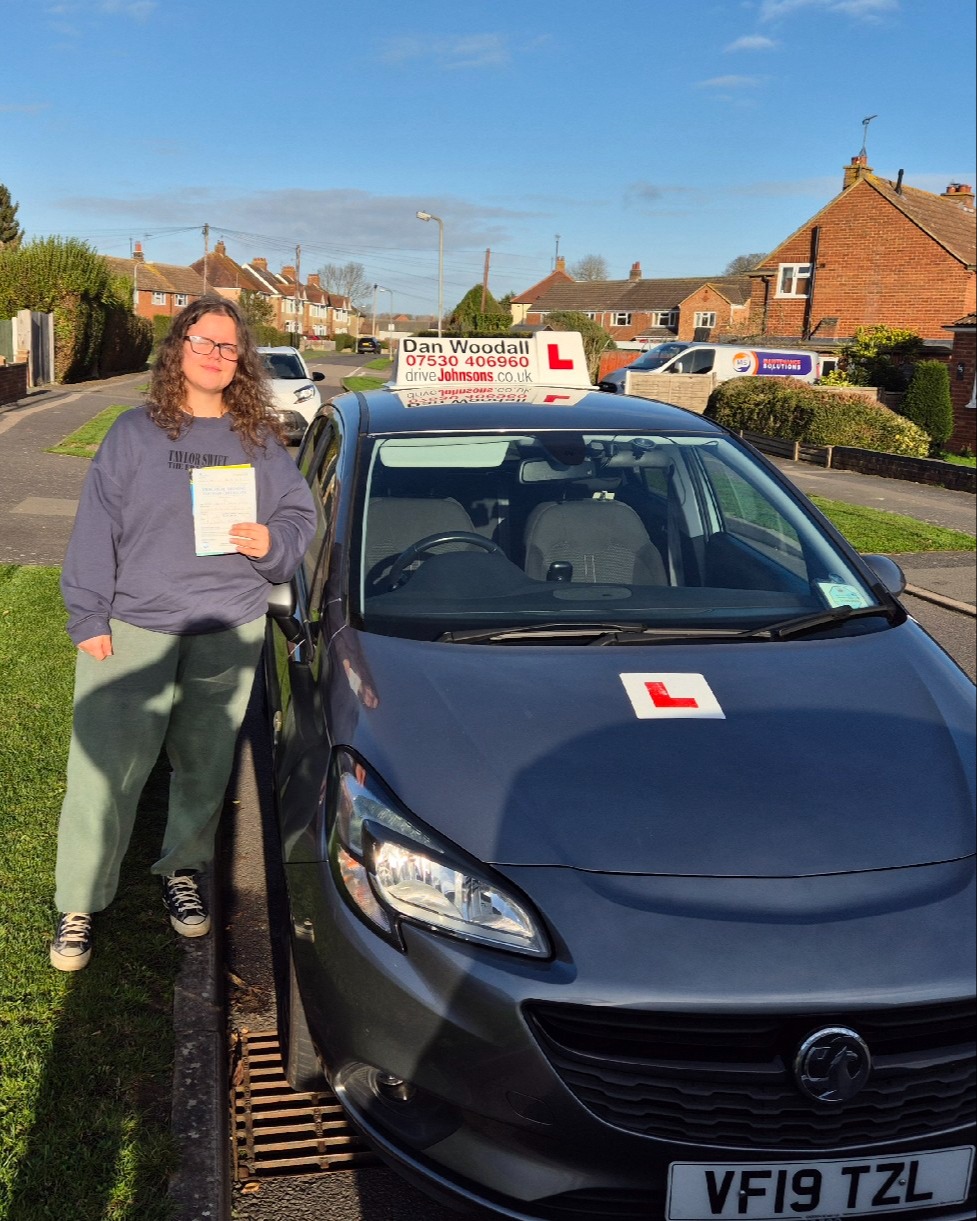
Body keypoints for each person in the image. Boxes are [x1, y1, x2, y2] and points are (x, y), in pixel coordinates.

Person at [50, 296, 317, 971]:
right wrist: (88, 616)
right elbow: (95, 529)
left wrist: (271, 540)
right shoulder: (132, 433)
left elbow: (298, 512)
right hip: (133, 625)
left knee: (203, 766)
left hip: (226, 624)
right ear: (179, 346)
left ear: (241, 360)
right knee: (104, 771)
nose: (218, 355)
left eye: (230, 348)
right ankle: (79, 899)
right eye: (206, 341)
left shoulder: (256, 436)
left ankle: (182, 870)